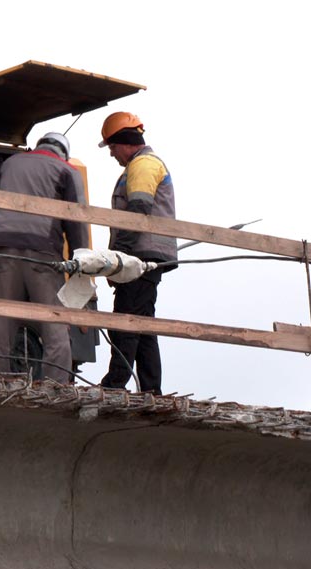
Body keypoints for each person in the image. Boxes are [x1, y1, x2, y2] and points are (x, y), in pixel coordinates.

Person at [0, 132, 88, 384]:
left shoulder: (10, 164)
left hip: (2, 251)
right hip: (42, 255)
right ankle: (56, 385)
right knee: (54, 323)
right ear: (63, 152)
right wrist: (80, 263)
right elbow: (76, 221)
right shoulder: (67, 171)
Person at [97, 112, 177, 394]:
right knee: (142, 323)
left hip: (141, 255)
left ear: (125, 142)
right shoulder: (142, 164)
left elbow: (138, 212)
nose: (112, 154)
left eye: (112, 147)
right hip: (146, 253)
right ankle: (151, 388)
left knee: (126, 319)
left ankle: (115, 383)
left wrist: (118, 259)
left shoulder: (143, 165)